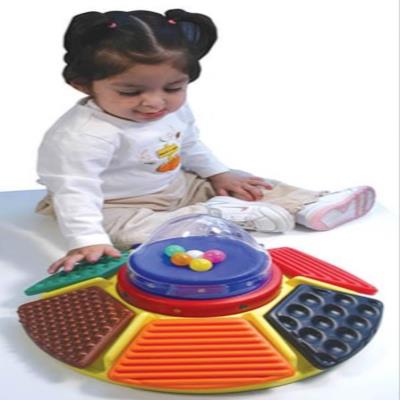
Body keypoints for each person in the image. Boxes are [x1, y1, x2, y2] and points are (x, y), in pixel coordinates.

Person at [36, 9, 376, 273]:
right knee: (126, 235)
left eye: (173, 88)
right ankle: (215, 216)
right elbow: (75, 190)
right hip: (112, 205)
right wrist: (87, 240)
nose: (154, 102)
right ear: (83, 84)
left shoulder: (169, 111)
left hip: (176, 185)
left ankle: (307, 204)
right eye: (130, 91)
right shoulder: (83, 135)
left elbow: (188, 145)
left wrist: (219, 174)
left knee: (244, 183)